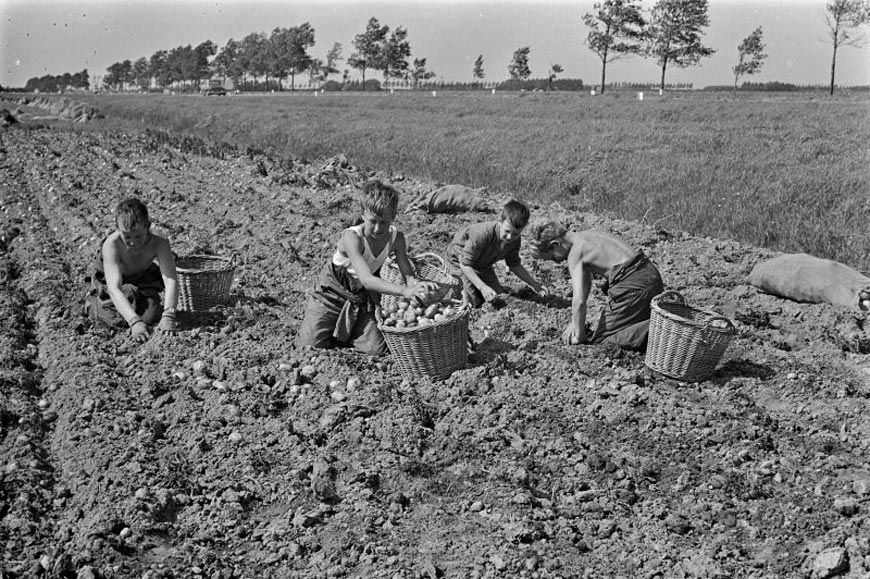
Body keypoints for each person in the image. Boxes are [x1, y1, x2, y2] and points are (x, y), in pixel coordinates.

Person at [297, 180, 437, 356]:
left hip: (362, 298)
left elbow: (408, 274)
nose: (378, 228)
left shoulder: (397, 239)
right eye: (373, 221)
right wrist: (405, 291)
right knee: (309, 348)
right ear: (363, 215)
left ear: (393, 216)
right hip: (330, 295)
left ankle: (348, 332)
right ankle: (332, 326)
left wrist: (418, 285)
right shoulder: (352, 238)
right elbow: (367, 279)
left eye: (384, 222)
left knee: (375, 350)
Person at [528, 220, 664, 351]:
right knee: (629, 324)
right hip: (651, 274)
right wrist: (575, 322)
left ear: (556, 244)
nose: (557, 262)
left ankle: (663, 330)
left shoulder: (575, 253)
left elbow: (578, 301)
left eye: (552, 257)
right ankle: (661, 326)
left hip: (633, 284)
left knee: (603, 339)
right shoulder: (589, 234)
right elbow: (585, 284)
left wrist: (579, 336)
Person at [83, 198, 179, 342]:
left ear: (148, 226)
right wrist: (134, 322)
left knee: (149, 317)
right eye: (127, 237)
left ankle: (134, 296)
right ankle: (93, 300)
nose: (133, 242)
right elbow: (114, 288)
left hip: (141, 277)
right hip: (110, 281)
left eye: (138, 236)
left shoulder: (159, 242)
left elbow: (170, 278)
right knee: (113, 321)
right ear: (117, 229)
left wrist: (169, 315)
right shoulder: (112, 245)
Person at [445, 199, 548, 308]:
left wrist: (534, 284)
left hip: (483, 264)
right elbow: (465, 265)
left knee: (500, 297)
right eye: (507, 231)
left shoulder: (515, 241)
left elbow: (514, 265)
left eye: (515, 234)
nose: (510, 237)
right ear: (500, 221)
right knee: (472, 302)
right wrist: (482, 287)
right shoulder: (481, 234)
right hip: (459, 261)